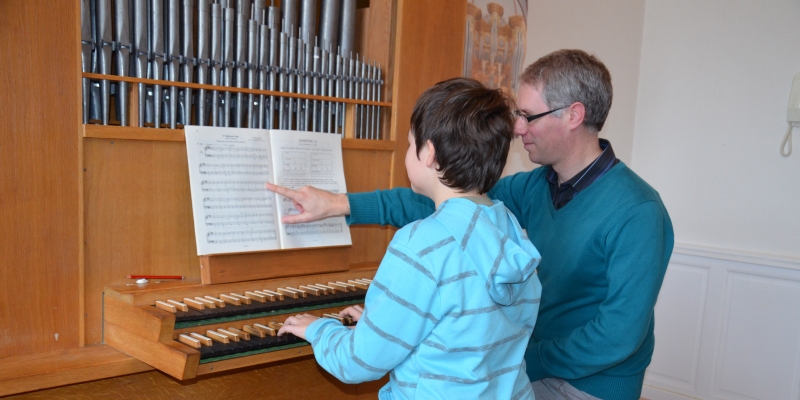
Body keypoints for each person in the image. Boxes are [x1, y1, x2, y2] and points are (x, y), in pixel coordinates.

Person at [269, 49, 674, 400]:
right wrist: (339, 203)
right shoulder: (526, 193)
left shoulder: (637, 211)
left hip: (585, 383)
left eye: (528, 116)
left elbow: (618, 337)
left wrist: (513, 354)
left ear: (574, 115)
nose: (517, 128)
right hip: (510, 367)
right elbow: (443, 200)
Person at [276, 78, 543, 399]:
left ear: (428, 153)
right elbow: (470, 332)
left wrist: (318, 329)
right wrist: (386, 325)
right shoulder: (510, 229)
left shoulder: (420, 243)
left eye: (408, 142)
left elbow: (357, 363)